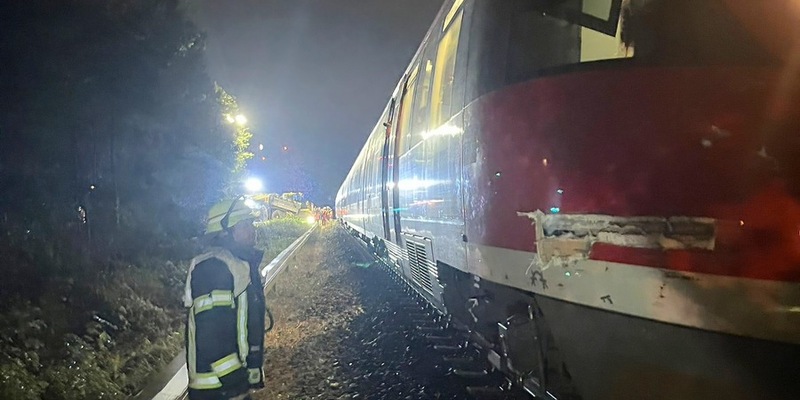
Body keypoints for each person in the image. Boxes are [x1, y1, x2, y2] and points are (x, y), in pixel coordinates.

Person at [183, 197, 266, 400]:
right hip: (216, 389)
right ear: (225, 232)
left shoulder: (235, 264)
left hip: (227, 385)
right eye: (245, 225)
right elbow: (211, 335)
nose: (252, 230)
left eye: (251, 224)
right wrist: (234, 383)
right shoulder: (212, 268)